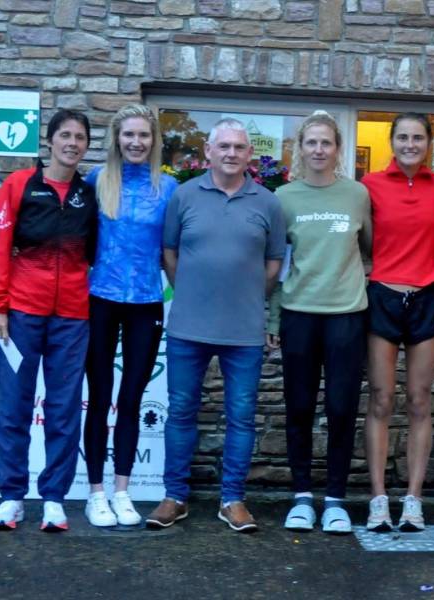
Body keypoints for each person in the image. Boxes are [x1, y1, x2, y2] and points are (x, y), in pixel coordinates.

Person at [146, 118, 286, 533]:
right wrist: (190, 289)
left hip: (243, 330)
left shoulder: (267, 202)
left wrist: (246, 294)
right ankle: (174, 497)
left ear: (249, 155)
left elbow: (275, 262)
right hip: (188, 325)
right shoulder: (184, 196)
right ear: (207, 151)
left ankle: (233, 500)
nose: (230, 153)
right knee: (181, 412)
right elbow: (168, 253)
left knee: (241, 417)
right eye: (223, 146)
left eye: (239, 147)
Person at [0, 109, 98, 532]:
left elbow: (94, 254)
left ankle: (53, 499)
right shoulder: (18, 185)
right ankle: (11, 497)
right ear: (49, 142)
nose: (72, 143)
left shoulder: (89, 192)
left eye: (80, 137)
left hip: (72, 317)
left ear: (86, 145)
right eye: (65, 135)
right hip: (22, 315)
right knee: (14, 405)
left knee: (64, 408)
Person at [265, 111, 371, 534]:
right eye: (311, 143)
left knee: (342, 409)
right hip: (299, 315)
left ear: (337, 149)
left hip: (346, 316)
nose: (319, 150)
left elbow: (368, 249)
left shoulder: (357, 195)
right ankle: (302, 496)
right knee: (300, 408)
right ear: (300, 148)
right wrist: (273, 318)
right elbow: (277, 265)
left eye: (326, 143)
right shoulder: (283, 198)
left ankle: (337, 500)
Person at [81, 105, 178, 528]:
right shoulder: (96, 181)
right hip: (100, 298)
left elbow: (177, 245)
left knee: (132, 399)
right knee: (99, 398)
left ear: (154, 141)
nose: (136, 142)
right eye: (128, 135)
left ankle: (123, 490)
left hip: (146, 302)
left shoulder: (169, 188)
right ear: (116, 139)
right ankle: (95, 492)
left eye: (144, 135)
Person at [360, 113, 434, 532]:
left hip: (428, 295)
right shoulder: (371, 185)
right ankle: (378, 499)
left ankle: (413, 500)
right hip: (382, 295)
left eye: (418, 137)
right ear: (391, 141)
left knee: (418, 400)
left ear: (429, 142)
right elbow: (361, 239)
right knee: (380, 399)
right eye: (403, 137)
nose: (410, 144)